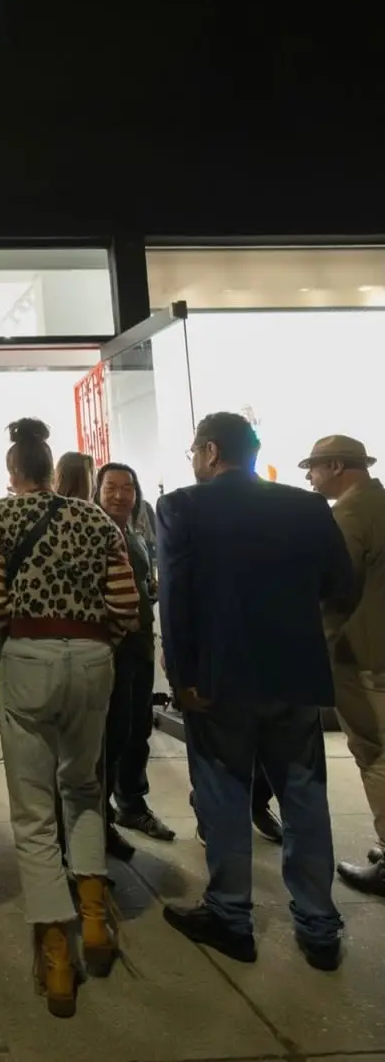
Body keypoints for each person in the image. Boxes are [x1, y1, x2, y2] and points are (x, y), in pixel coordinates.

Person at [158, 412, 352, 972]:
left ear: (211, 451)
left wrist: (183, 677)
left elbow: (175, 598)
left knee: (223, 791)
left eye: (194, 452)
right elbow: (340, 585)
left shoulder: (182, 507)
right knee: (304, 794)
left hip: (220, 680)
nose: (194, 461)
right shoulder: (307, 507)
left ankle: (230, 916)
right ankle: (319, 926)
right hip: (295, 676)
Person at [0, 419, 139, 1017]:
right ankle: (95, 919)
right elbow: (127, 603)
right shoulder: (97, 519)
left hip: (28, 654)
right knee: (84, 788)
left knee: (34, 809)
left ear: (14, 470)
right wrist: (101, 644)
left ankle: (56, 955)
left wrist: (4, 643)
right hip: (93, 657)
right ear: (51, 468)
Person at [302, 433, 385, 896]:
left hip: (365, 657)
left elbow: (333, 584)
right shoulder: (380, 503)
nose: (310, 479)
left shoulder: (348, 514)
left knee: (375, 753)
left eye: (313, 468)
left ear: (335, 466)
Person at [94, 462, 175, 854]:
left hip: (140, 644)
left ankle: (131, 804)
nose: (120, 495)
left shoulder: (135, 534)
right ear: (97, 492)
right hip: (114, 647)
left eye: (127, 488)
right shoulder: (93, 532)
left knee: (138, 729)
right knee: (114, 732)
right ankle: (102, 817)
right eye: (111, 487)